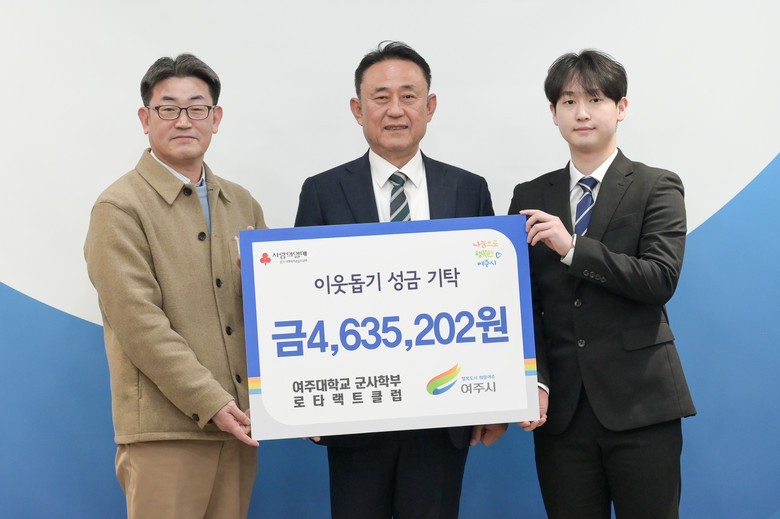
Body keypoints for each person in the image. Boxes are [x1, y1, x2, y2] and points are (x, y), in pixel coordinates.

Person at [295, 41, 505, 519]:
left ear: (430, 107)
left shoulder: (468, 189)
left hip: (444, 412)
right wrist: (305, 398)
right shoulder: (322, 191)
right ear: (358, 109)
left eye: (409, 96)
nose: (395, 110)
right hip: (355, 414)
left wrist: (496, 399)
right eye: (381, 97)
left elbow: (491, 297)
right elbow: (306, 301)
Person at [508, 49, 696, 518]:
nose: (582, 113)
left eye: (595, 99)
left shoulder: (657, 186)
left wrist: (573, 248)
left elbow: (659, 279)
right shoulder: (530, 196)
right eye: (569, 101)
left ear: (621, 107)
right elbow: (523, 302)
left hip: (641, 407)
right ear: (553, 113)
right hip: (563, 414)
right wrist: (536, 379)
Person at [84, 54, 266, 519]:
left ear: (215, 118)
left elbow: (272, 310)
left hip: (239, 427)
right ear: (145, 119)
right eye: (168, 108)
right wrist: (212, 400)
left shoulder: (242, 204)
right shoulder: (119, 208)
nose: (184, 120)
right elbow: (139, 324)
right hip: (164, 433)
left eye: (197, 108)